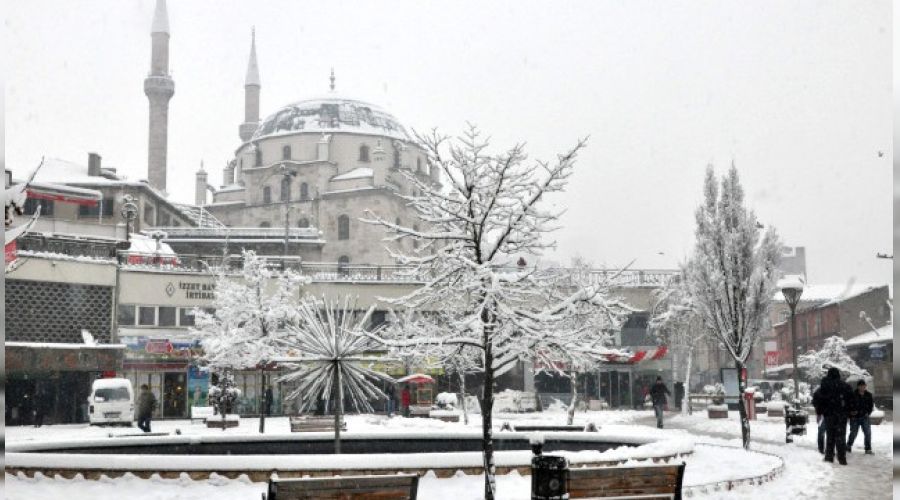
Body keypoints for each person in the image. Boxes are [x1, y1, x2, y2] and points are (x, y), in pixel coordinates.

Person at [812, 367, 853, 464]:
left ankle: (829, 456)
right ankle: (842, 458)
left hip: (829, 414)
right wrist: (848, 412)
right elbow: (851, 400)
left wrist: (820, 411)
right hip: (841, 415)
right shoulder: (845, 386)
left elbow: (817, 399)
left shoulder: (824, 386)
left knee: (830, 436)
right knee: (841, 436)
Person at [847, 380, 874, 455]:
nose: (863, 387)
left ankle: (868, 449)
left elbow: (871, 406)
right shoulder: (852, 395)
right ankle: (848, 445)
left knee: (868, 433)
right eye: (861, 386)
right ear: (858, 386)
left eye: (864, 385)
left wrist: (868, 413)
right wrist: (851, 413)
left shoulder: (869, 395)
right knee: (853, 433)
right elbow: (848, 406)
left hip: (865, 417)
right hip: (854, 418)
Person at [812, 385, 826, 454]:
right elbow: (814, 402)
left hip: (830, 414)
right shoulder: (819, 391)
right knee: (821, 431)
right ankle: (821, 448)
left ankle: (824, 448)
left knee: (824, 432)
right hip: (822, 414)